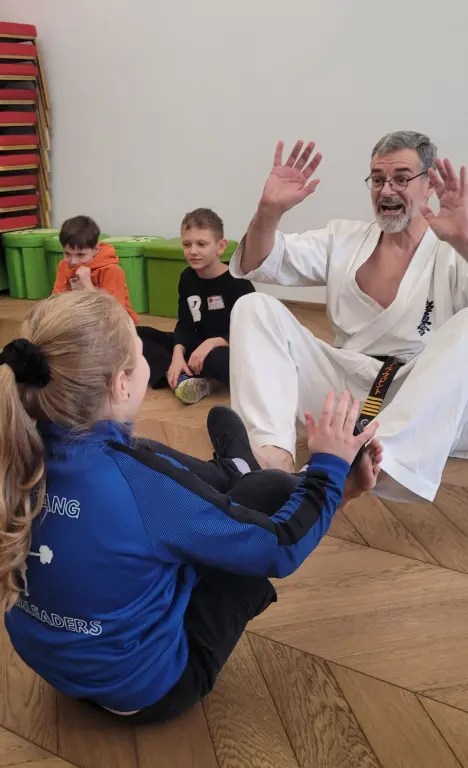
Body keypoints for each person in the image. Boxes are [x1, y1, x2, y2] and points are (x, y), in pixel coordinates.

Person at [0, 290, 379, 723]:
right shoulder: (139, 484)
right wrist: (329, 470)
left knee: (146, 462)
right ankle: (273, 479)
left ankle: (234, 470)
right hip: (146, 690)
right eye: (139, 350)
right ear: (121, 383)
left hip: (55, 668)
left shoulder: (16, 454)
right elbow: (280, 548)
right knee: (271, 491)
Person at [228, 131, 468, 502]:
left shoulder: (451, 249)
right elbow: (259, 260)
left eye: (401, 178)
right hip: (346, 392)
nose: (387, 190)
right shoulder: (343, 239)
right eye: (378, 179)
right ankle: (271, 460)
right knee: (253, 307)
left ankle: (379, 462)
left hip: (422, 400)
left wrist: (464, 240)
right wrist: (268, 211)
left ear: (429, 185)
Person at [137, 208, 255, 404]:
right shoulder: (187, 277)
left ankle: (200, 380)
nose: (192, 251)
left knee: (221, 361)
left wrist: (214, 342)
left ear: (220, 246)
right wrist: (177, 354)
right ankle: (180, 376)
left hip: (226, 349)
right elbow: (185, 324)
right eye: (187, 244)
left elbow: (251, 334)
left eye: (201, 244)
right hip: (195, 345)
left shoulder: (238, 283)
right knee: (136, 336)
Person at [52, 214, 138, 323]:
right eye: (67, 254)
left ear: (95, 250)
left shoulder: (112, 270)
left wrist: (87, 285)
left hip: (117, 325)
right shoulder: (64, 265)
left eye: (80, 255)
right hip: (79, 321)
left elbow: (114, 313)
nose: (73, 261)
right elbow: (55, 300)